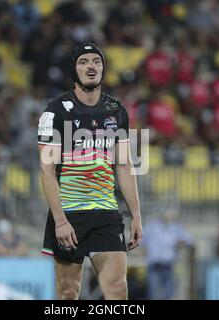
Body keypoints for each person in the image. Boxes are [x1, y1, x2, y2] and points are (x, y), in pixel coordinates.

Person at [38, 43, 142, 300]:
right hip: (69, 215)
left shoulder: (117, 111)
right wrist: (60, 220)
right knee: (68, 293)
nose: (91, 66)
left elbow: (125, 166)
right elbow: (47, 171)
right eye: (83, 61)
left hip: (106, 212)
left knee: (118, 291)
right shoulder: (55, 111)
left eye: (96, 61)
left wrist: (137, 215)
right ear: (74, 70)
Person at [142, 208, 194, 300]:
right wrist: (145, 249)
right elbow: (141, 239)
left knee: (169, 294)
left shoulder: (175, 227)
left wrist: (180, 241)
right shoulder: (152, 227)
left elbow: (189, 239)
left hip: (168, 265)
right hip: (154, 265)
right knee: (153, 294)